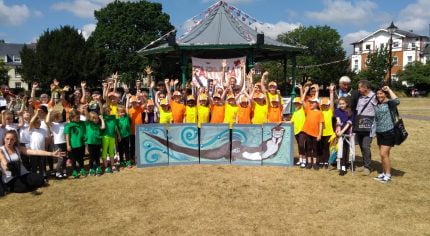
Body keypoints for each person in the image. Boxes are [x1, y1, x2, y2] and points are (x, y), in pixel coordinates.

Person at [0, 131, 64, 194]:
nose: (9, 141)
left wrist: (51, 153)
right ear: (4, 139)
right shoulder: (1, 150)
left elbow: (35, 152)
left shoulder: (18, 148)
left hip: (23, 174)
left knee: (40, 180)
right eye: (7, 139)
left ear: (15, 140)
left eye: (12, 139)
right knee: (23, 188)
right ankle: (9, 187)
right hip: (10, 177)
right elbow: (2, 159)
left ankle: (26, 184)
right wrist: (8, 166)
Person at [373, 86, 399, 183]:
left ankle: (388, 175)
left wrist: (388, 89)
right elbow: (376, 119)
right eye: (378, 93)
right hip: (379, 132)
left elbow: (397, 101)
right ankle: (384, 173)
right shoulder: (378, 104)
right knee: (384, 155)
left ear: (385, 94)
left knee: (383, 154)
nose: (379, 95)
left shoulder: (390, 103)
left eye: (381, 93)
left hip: (389, 131)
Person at [354, 80, 377, 175]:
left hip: (369, 127)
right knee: (361, 146)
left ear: (365, 88)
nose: (358, 89)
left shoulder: (375, 97)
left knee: (365, 146)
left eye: (359, 87)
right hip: (360, 126)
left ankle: (368, 167)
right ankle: (364, 163)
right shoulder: (360, 97)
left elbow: (378, 111)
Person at [301, 85, 324, 170]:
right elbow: (302, 100)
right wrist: (305, 91)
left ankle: (314, 163)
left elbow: (321, 124)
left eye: (312, 102)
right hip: (307, 132)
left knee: (315, 148)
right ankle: (309, 163)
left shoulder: (319, 113)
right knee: (308, 148)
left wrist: (319, 134)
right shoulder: (308, 109)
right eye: (310, 102)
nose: (310, 103)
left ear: (316, 104)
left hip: (315, 134)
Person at [335, 97, 354, 176]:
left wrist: (342, 131)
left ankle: (345, 164)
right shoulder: (337, 111)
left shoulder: (350, 112)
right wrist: (338, 129)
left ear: (346, 104)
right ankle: (342, 166)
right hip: (340, 132)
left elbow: (349, 123)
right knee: (341, 149)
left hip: (347, 132)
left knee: (347, 149)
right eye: (340, 104)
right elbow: (338, 121)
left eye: (343, 103)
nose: (341, 105)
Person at [64, 109, 86, 178]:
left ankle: (82, 168)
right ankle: (74, 170)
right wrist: (68, 145)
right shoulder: (68, 125)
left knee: (81, 157)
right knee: (73, 159)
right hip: (73, 145)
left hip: (81, 144)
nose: (78, 119)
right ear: (72, 118)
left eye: (79, 117)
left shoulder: (82, 123)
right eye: (77, 118)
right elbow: (67, 135)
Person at [317, 84, 335, 169]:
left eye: (326, 105)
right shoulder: (320, 111)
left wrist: (331, 92)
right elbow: (316, 102)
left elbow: (331, 103)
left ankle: (326, 161)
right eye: (323, 105)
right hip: (320, 132)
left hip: (328, 132)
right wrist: (317, 91)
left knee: (326, 148)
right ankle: (320, 161)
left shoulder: (330, 111)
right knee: (320, 147)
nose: (324, 106)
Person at [85, 112, 105, 176]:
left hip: (98, 143)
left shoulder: (98, 125)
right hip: (90, 143)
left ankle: (98, 168)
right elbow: (87, 116)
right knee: (91, 157)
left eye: (96, 118)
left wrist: (102, 119)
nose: (95, 120)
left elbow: (103, 127)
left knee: (97, 156)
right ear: (90, 119)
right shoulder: (88, 124)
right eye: (94, 118)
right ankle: (91, 169)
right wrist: (86, 109)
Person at [290, 96, 306, 167]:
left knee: (302, 145)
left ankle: (304, 160)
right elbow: (291, 122)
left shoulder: (303, 110)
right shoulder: (295, 112)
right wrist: (282, 122)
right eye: (295, 103)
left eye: (298, 103)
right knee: (299, 145)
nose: (296, 104)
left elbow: (303, 101)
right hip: (296, 131)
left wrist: (303, 91)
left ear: (300, 104)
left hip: (302, 131)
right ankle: (300, 159)